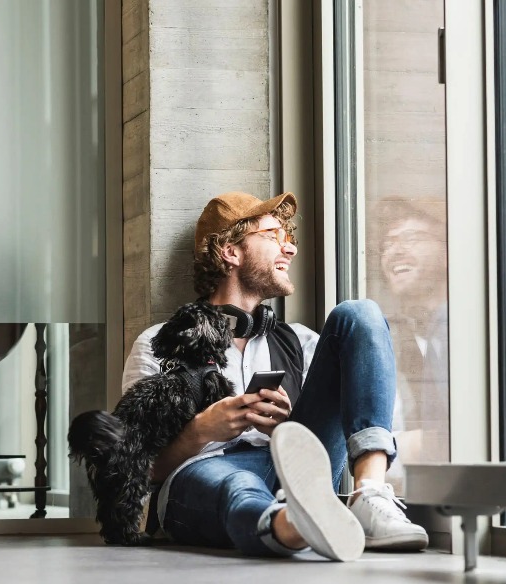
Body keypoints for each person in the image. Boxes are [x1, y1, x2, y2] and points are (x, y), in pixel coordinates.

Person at [122, 191, 428, 561]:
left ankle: (369, 495)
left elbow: (377, 412)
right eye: (271, 236)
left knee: (359, 313)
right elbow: (133, 473)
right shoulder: (158, 343)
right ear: (230, 252)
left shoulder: (302, 342)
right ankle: (293, 525)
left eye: (288, 238)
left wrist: (288, 431)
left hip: (297, 471)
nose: (290, 249)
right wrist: (202, 430)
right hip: (203, 475)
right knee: (238, 484)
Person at [376, 197, 449, 467]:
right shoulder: (390, 336)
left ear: (446, 251)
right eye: (387, 244)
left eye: (411, 237)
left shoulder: (462, 329)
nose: (395, 251)